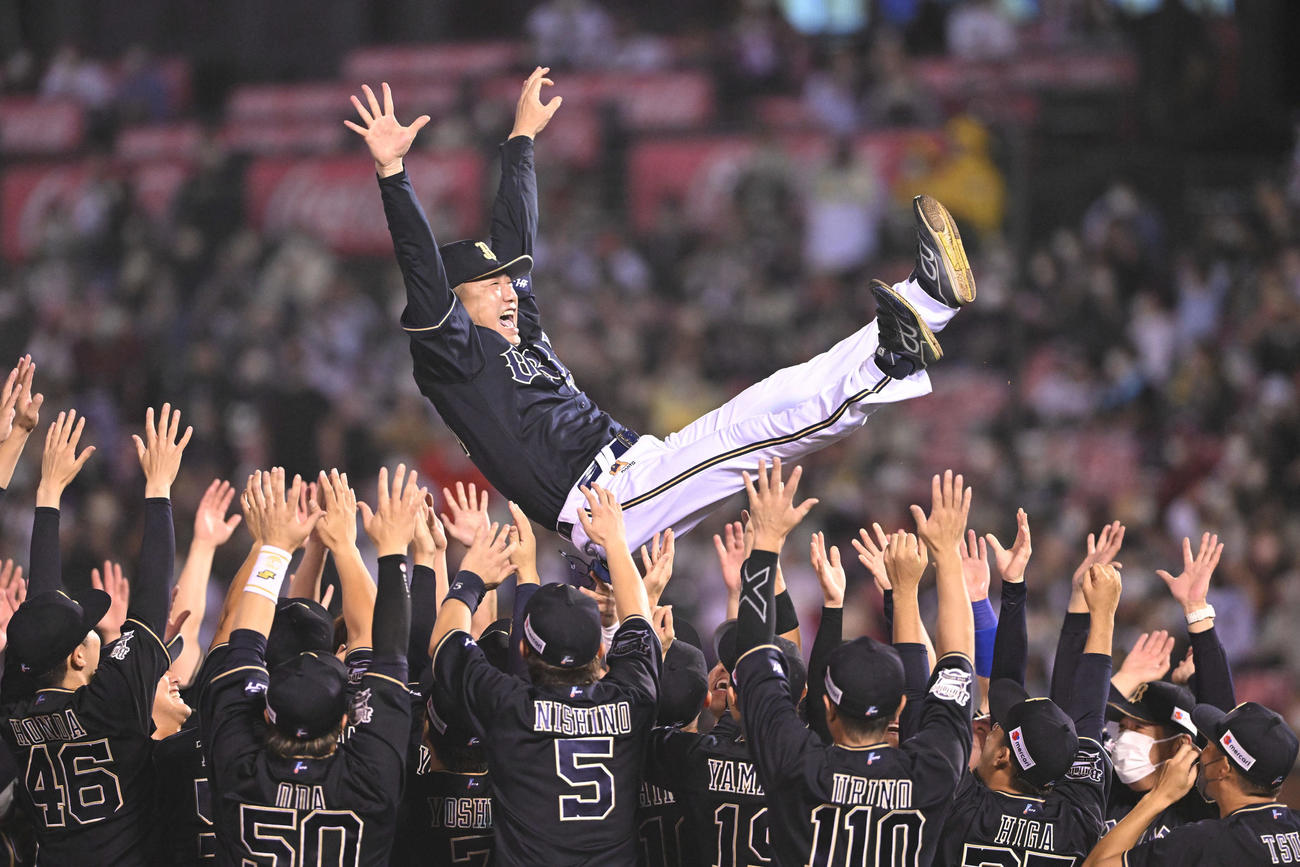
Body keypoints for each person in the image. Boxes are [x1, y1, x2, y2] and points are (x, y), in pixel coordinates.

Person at [347, 69, 978, 553]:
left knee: (776, 394)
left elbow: (517, 248)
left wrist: (520, 142)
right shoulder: (454, 358)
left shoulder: (518, 335)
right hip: (602, 506)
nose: (508, 290)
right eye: (489, 287)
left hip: (635, 466)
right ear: (455, 306)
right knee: (750, 439)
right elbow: (424, 274)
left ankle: (928, 302)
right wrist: (391, 172)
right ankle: (889, 366)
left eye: (506, 283)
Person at [729, 462, 975, 866]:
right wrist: (947, 554)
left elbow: (754, 646)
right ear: (899, 707)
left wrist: (767, 542)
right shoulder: (933, 769)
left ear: (827, 707)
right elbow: (958, 656)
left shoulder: (796, 759)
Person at [428, 484, 660, 864]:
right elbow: (638, 617)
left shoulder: (510, 706)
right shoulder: (633, 700)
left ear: (522, 648)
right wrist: (616, 543)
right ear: (601, 650)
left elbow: (445, 641)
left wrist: (473, 574)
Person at [199, 466, 418, 866]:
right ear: (343, 722)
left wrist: (275, 548)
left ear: (266, 714)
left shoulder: (238, 764)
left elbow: (238, 634)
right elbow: (381, 647)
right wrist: (351, 548)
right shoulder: (368, 779)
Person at [0, 406, 189, 866]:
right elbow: (151, 600)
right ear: (78, 659)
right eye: (88, 632)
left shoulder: (14, 712)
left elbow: (42, 624)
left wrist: (48, 494)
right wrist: (160, 487)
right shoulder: (111, 704)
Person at [1083, 702, 1300, 866]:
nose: (1201, 752)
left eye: (1209, 744)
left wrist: (1159, 796)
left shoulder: (1202, 843)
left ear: (1223, 767)